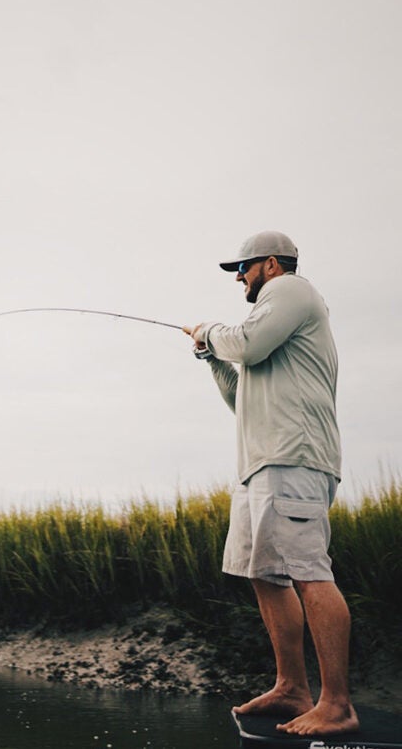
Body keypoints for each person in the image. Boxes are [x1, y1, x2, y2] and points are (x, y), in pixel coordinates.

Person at [183, 230, 358, 737]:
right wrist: (211, 357)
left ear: (273, 265)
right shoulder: (269, 325)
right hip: (263, 464)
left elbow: (249, 344)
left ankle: (338, 704)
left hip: (295, 458)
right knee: (266, 574)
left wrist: (209, 331)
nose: (239, 277)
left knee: (307, 572)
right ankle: (292, 688)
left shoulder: (292, 291)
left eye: (244, 267)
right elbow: (243, 397)